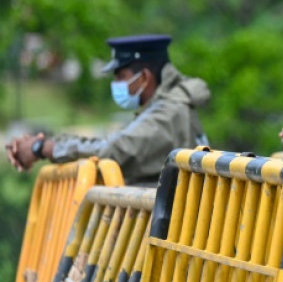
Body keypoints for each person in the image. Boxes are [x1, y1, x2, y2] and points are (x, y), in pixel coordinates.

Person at [5, 35, 210, 184]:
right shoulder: (172, 106)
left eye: (120, 76)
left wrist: (43, 148)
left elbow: (111, 151)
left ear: (145, 78)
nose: (116, 84)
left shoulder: (168, 113)